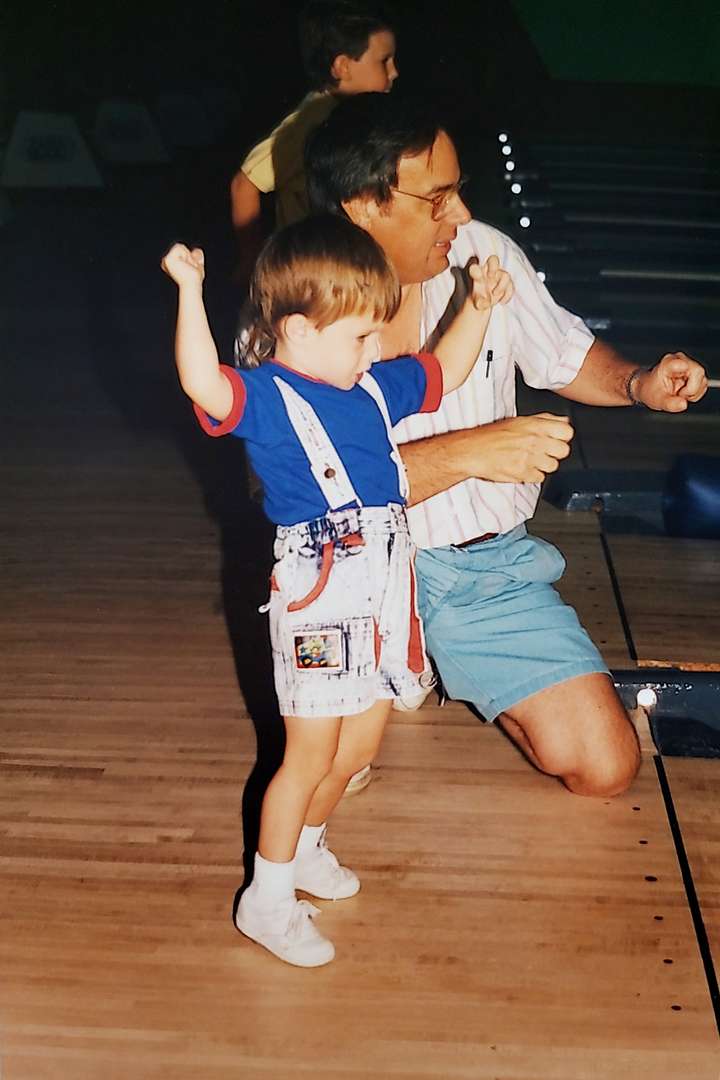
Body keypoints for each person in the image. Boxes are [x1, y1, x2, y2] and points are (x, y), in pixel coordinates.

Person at [304, 92, 709, 800]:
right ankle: (399, 653)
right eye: (436, 199)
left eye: (458, 191)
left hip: (479, 571)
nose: (458, 216)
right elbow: (318, 495)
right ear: (363, 205)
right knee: (324, 775)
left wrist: (639, 382)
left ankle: (435, 651)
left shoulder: (483, 253)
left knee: (605, 767)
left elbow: (564, 353)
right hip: (351, 580)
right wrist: (475, 451)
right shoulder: (294, 314)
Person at [161, 213, 513, 966]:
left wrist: (477, 307)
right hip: (321, 596)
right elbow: (199, 380)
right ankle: (267, 895)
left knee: (357, 748)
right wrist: (190, 290)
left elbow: (441, 371)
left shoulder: (371, 387)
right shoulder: (265, 399)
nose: (376, 349)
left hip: (383, 587)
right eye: (360, 336)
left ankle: (310, 849)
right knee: (309, 756)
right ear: (295, 331)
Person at [229, 0, 398, 288]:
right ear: (342, 66)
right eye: (384, 61)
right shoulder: (310, 120)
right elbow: (244, 183)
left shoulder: (354, 116)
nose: (394, 72)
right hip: (308, 269)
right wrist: (251, 257)